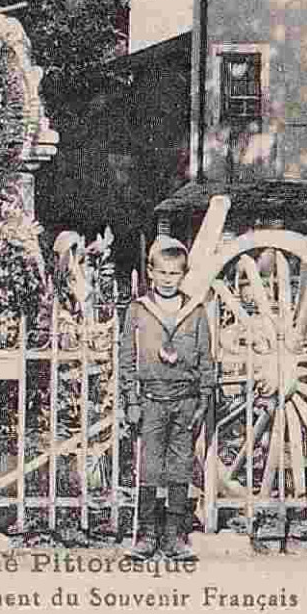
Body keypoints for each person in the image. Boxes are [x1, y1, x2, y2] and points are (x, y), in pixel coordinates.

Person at [119, 236, 214, 562]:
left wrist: (202, 400)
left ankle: (175, 537)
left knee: (180, 468)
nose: (167, 280)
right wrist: (131, 399)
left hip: (186, 401)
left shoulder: (196, 311)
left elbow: (205, 357)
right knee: (149, 467)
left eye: (174, 274)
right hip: (151, 401)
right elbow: (127, 358)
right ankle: (146, 536)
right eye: (161, 273)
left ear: (183, 274)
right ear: (151, 272)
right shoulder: (138, 311)